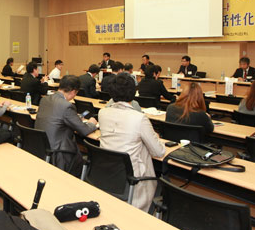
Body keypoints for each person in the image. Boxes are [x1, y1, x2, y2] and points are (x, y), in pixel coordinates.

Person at [98, 74, 166, 212]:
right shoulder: (139, 118)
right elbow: (158, 152)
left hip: (107, 171)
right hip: (133, 177)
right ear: (134, 92)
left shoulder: (102, 113)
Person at [35, 75, 97, 177]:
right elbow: (84, 130)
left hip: (41, 147)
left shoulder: (44, 100)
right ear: (73, 92)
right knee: (81, 158)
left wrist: (74, 118)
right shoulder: (67, 106)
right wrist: (91, 123)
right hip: (59, 152)